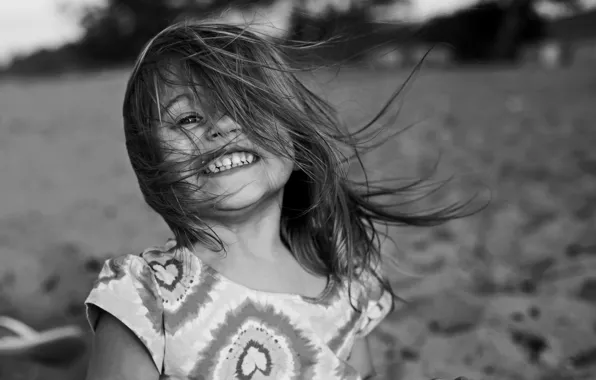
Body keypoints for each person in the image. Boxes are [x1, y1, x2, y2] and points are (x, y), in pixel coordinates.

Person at [84, 21, 477, 380]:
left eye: (247, 107)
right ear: (149, 157)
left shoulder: (343, 277)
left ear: (292, 128)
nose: (221, 126)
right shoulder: (144, 297)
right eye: (187, 119)